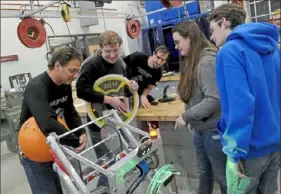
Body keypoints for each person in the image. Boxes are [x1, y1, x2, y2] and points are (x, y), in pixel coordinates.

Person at [208, 3, 280, 194]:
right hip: (275, 144)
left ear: (224, 22)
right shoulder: (273, 50)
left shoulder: (229, 52)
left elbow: (240, 105)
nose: (211, 36)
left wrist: (234, 152)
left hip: (249, 149)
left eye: (213, 29)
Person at [18, 46, 88, 194]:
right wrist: (75, 140)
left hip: (54, 146)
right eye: (72, 70)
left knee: (58, 190)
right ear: (57, 66)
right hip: (34, 150)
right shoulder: (36, 88)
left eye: (77, 71)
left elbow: (70, 112)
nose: (75, 75)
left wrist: (81, 132)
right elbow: (47, 123)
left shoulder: (64, 85)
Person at [76, 30, 138, 187]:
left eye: (115, 51)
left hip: (118, 120)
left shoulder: (120, 64)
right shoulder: (91, 65)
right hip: (99, 123)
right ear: (100, 48)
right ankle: (103, 190)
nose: (112, 55)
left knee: (122, 160)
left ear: (119, 47)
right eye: (107, 51)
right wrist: (108, 99)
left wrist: (133, 86)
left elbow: (123, 88)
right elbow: (81, 90)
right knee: (108, 166)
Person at [173, 20, 227, 194]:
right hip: (200, 130)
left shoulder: (205, 61)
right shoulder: (193, 60)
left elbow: (214, 99)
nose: (176, 47)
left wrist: (187, 116)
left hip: (213, 132)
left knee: (223, 179)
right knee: (204, 174)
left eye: (177, 42)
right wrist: (193, 118)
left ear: (189, 38)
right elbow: (198, 96)